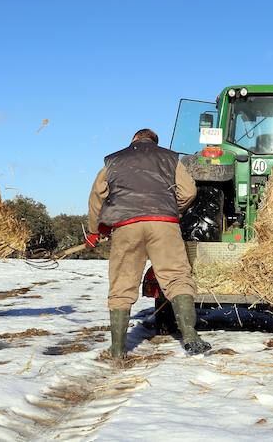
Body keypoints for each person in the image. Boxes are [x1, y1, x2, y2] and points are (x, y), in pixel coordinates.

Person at [86, 128, 212, 362]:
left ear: (134, 139)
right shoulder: (170, 158)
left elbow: (97, 195)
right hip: (164, 224)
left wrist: (95, 229)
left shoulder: (114, 160)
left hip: (126, 225)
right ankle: (191, 337)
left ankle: (117, 350)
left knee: (122, 284)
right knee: (177, 277)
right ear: (155, 142)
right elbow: (189, 191)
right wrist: (171, 209)